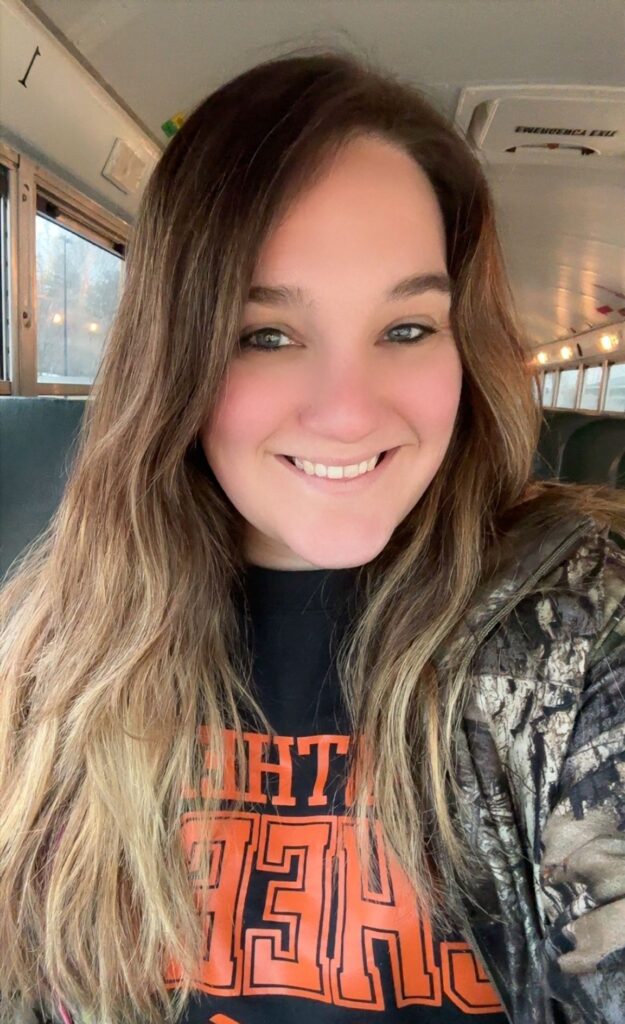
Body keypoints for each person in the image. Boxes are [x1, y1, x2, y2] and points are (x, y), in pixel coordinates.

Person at [0, 48, 624, 1024]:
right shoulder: (47, 652)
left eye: (407, 329)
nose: (346, 412)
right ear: (176, 359)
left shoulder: (580, 625)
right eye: (268, 335)